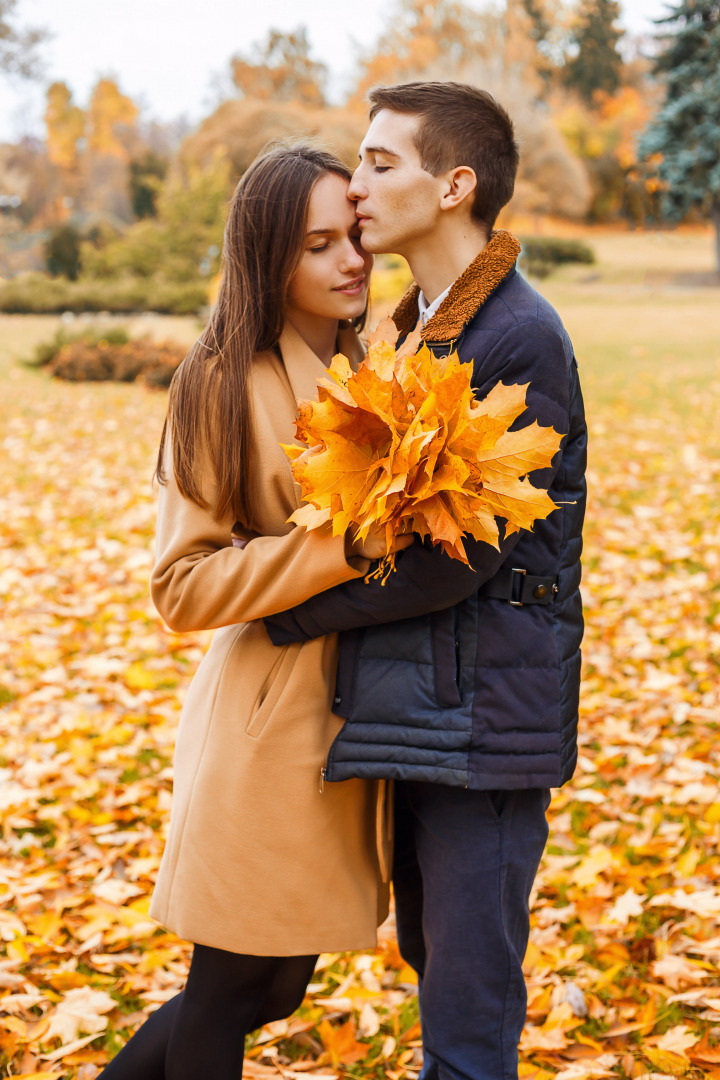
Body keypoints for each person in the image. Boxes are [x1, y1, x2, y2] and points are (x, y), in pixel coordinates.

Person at [264, 83, 588, 1080]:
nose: (356, 185)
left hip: (484, 721)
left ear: (454, 186)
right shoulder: (423, 330)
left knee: (468, 1017)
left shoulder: (515, 336)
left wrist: (296, 609)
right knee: (437, 971)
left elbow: (461, 558)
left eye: (379, 162)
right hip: (428, 707)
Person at [99, 143, 411, 1079]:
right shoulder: (219, 379)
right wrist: (339, 544)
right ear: (268, 255)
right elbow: (181, 585)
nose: (350, 259)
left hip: (345, 715)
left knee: (272, 988)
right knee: (235, 986)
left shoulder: (366, 366)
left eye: (351, 235)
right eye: (318, 245)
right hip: (266, 721)